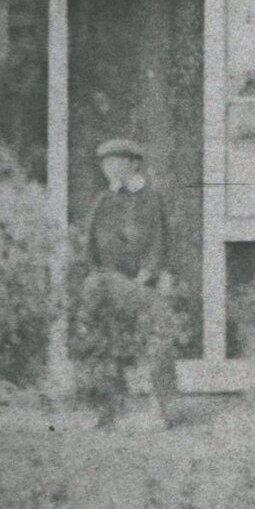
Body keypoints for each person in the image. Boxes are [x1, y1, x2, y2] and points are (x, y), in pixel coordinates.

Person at [85, 136, 179, 415]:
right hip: (110, 282)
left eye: (115, 162)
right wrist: (98, 274)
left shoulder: (151, 199)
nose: (109, 168)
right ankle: (108, 408)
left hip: (144, 286)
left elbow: (158, 242)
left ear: (133, 164)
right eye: (105, 163)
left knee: (158, 340)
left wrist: (147, 274)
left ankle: (162, 408)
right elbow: (91, 244)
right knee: (103, 341)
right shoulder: (104, 201)